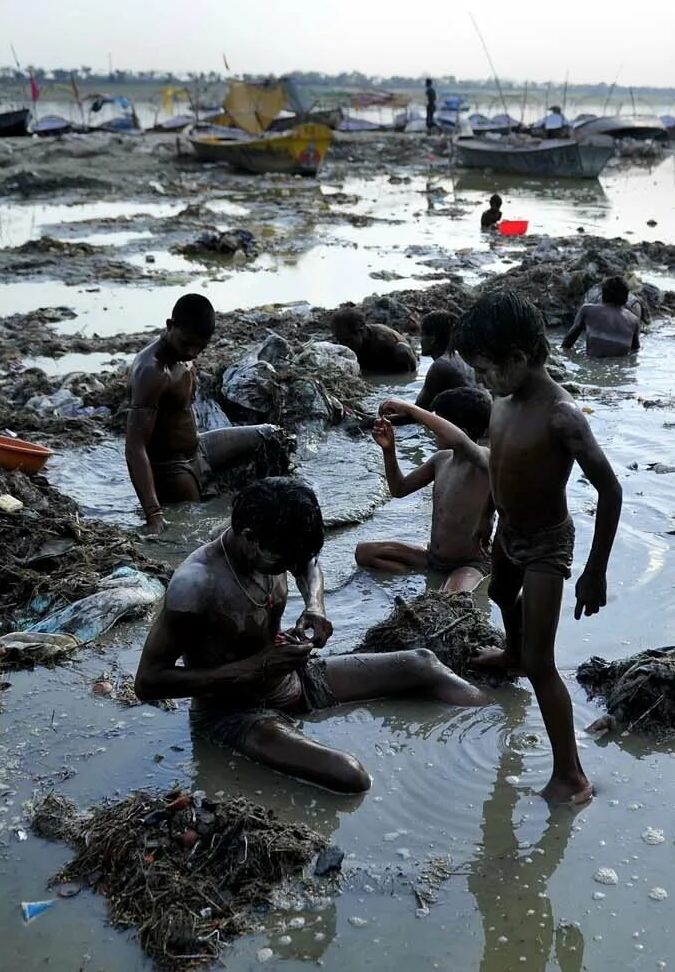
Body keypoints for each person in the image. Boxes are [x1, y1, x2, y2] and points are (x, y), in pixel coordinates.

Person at [135, 477, 486, 794]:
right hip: (233, 712)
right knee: (350, 775)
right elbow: (149, 682)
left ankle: (492, 729)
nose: (292, 565)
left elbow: (307, 563)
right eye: (283, 560)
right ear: (249, 540)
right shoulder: (194, 586)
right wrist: (254, 667)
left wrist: (315, 606)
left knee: (421, 664)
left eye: (296, 558)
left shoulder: (276, 538)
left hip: (292, 676)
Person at [451, 290, 622, 805]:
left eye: (484, 369)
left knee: (542, 663)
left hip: (548, 542)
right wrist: (487, 513)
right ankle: (509, 652)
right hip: (507, 529)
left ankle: (571, 776)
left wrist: (595, 571)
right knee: (503, 595)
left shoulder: (562, 416)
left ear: (519, 359)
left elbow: (610, 489)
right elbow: (497, 462)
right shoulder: (502, 401)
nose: (480, 381)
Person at [125, 293, 281, 535]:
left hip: (198, 448)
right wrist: (153, 513)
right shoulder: (151, 371)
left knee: (271, 435)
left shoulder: (186, 356)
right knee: (196, 529)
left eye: (200, 347)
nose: (192, 353)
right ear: (169, 326)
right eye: (186, 344)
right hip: (172, 468)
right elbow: (135, 447)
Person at [360, 387, 495, 593]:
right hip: (433, 557)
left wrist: (411, 410)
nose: (431, 432)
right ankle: (425, 579)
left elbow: (459, 440)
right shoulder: (441, 460)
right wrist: (389, 450)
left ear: (462, 431)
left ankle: (444, 584)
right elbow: (399, 489)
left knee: (449, 599)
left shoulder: (484, 459)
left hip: (470, 564)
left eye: (438, 425)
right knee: (365, 553)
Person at [560, 276, 641, 358]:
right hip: (619, 363)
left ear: (603, 294)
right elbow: (635, 351)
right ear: (626, 298)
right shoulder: (634, 320)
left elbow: (568, 340)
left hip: (592, 360)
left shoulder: (587, 310)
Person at [331, 305, 418, 375]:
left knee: (402, 351)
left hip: (398, 363)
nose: (343, 346)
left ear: (360, 331)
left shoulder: (383, 339)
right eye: (340, 341)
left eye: (347, 340)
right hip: (374, 366)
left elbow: (406, 354)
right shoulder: (347, 342)